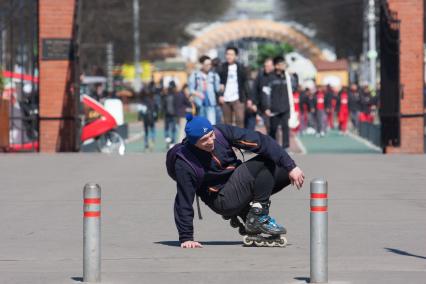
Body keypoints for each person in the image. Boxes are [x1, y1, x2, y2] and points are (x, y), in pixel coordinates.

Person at [170, 115, 305, 248]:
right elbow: (183, 200)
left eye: (211, 135)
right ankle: (257, 216)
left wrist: (291, 166)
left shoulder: (222, 133)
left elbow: (262, 141)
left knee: (283, 167)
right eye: (204, 140)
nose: (211, 141)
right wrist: (186, 237)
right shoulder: (185, 163)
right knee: (266, 163)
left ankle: (250, 211)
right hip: (222, 199)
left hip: (235, 182)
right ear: (193, 142)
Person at [261, 56, 291, 149]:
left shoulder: (287, 77)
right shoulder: (270, 78)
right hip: (274, 108)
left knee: (285, 127)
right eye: (282, 64)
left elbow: (293, 87)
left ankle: (286, 147)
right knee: (273, 128)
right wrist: (266, 107)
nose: (284, 66)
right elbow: (266, 93)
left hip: (285, 107)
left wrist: (294, 76)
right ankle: (273, 147)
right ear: (277, 66)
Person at [218, 46, 248, 128]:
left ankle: (240, 140)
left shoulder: (241, 67)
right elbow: (219, 83)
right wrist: (220, 95)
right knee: (227, 124)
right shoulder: (221, 67)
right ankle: (228, 141)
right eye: (227, 54)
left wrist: (249, 99)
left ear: (236, 56)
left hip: (238, 98)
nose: (229, 56)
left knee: (240, 121)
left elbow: (246, 84)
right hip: (225, 99)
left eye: (231, 54)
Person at [188, 55, 220, 125]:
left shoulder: (214, 75)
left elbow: (217, 90)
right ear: (202, 65)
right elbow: (190, 89)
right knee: (201, 125)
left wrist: (219, 84)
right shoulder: (195, 75)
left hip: (211, 103)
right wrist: (198, 94)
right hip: (199, 104)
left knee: (212, 124)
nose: (209, 66)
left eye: (210, 64)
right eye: (206, 64)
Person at [250, 58, 275, 131]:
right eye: (265, 66)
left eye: (269, 66)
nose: (266, 68)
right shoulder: (260, 76)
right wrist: (254, 103)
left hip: (275, 108)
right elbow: (255, 90)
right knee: (268, 127)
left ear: (273, 66)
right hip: (263, 107)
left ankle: (277, 142)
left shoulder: (277, 77)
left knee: (275, 128)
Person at [163, 81, 178, 147]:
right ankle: (173, 142)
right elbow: (177, 105)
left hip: (167, 114)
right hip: (174, 114)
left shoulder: (165, 95)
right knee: (173, 128)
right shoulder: (175, 95)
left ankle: (167, 139)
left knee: (167, 128)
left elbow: (163, 105)